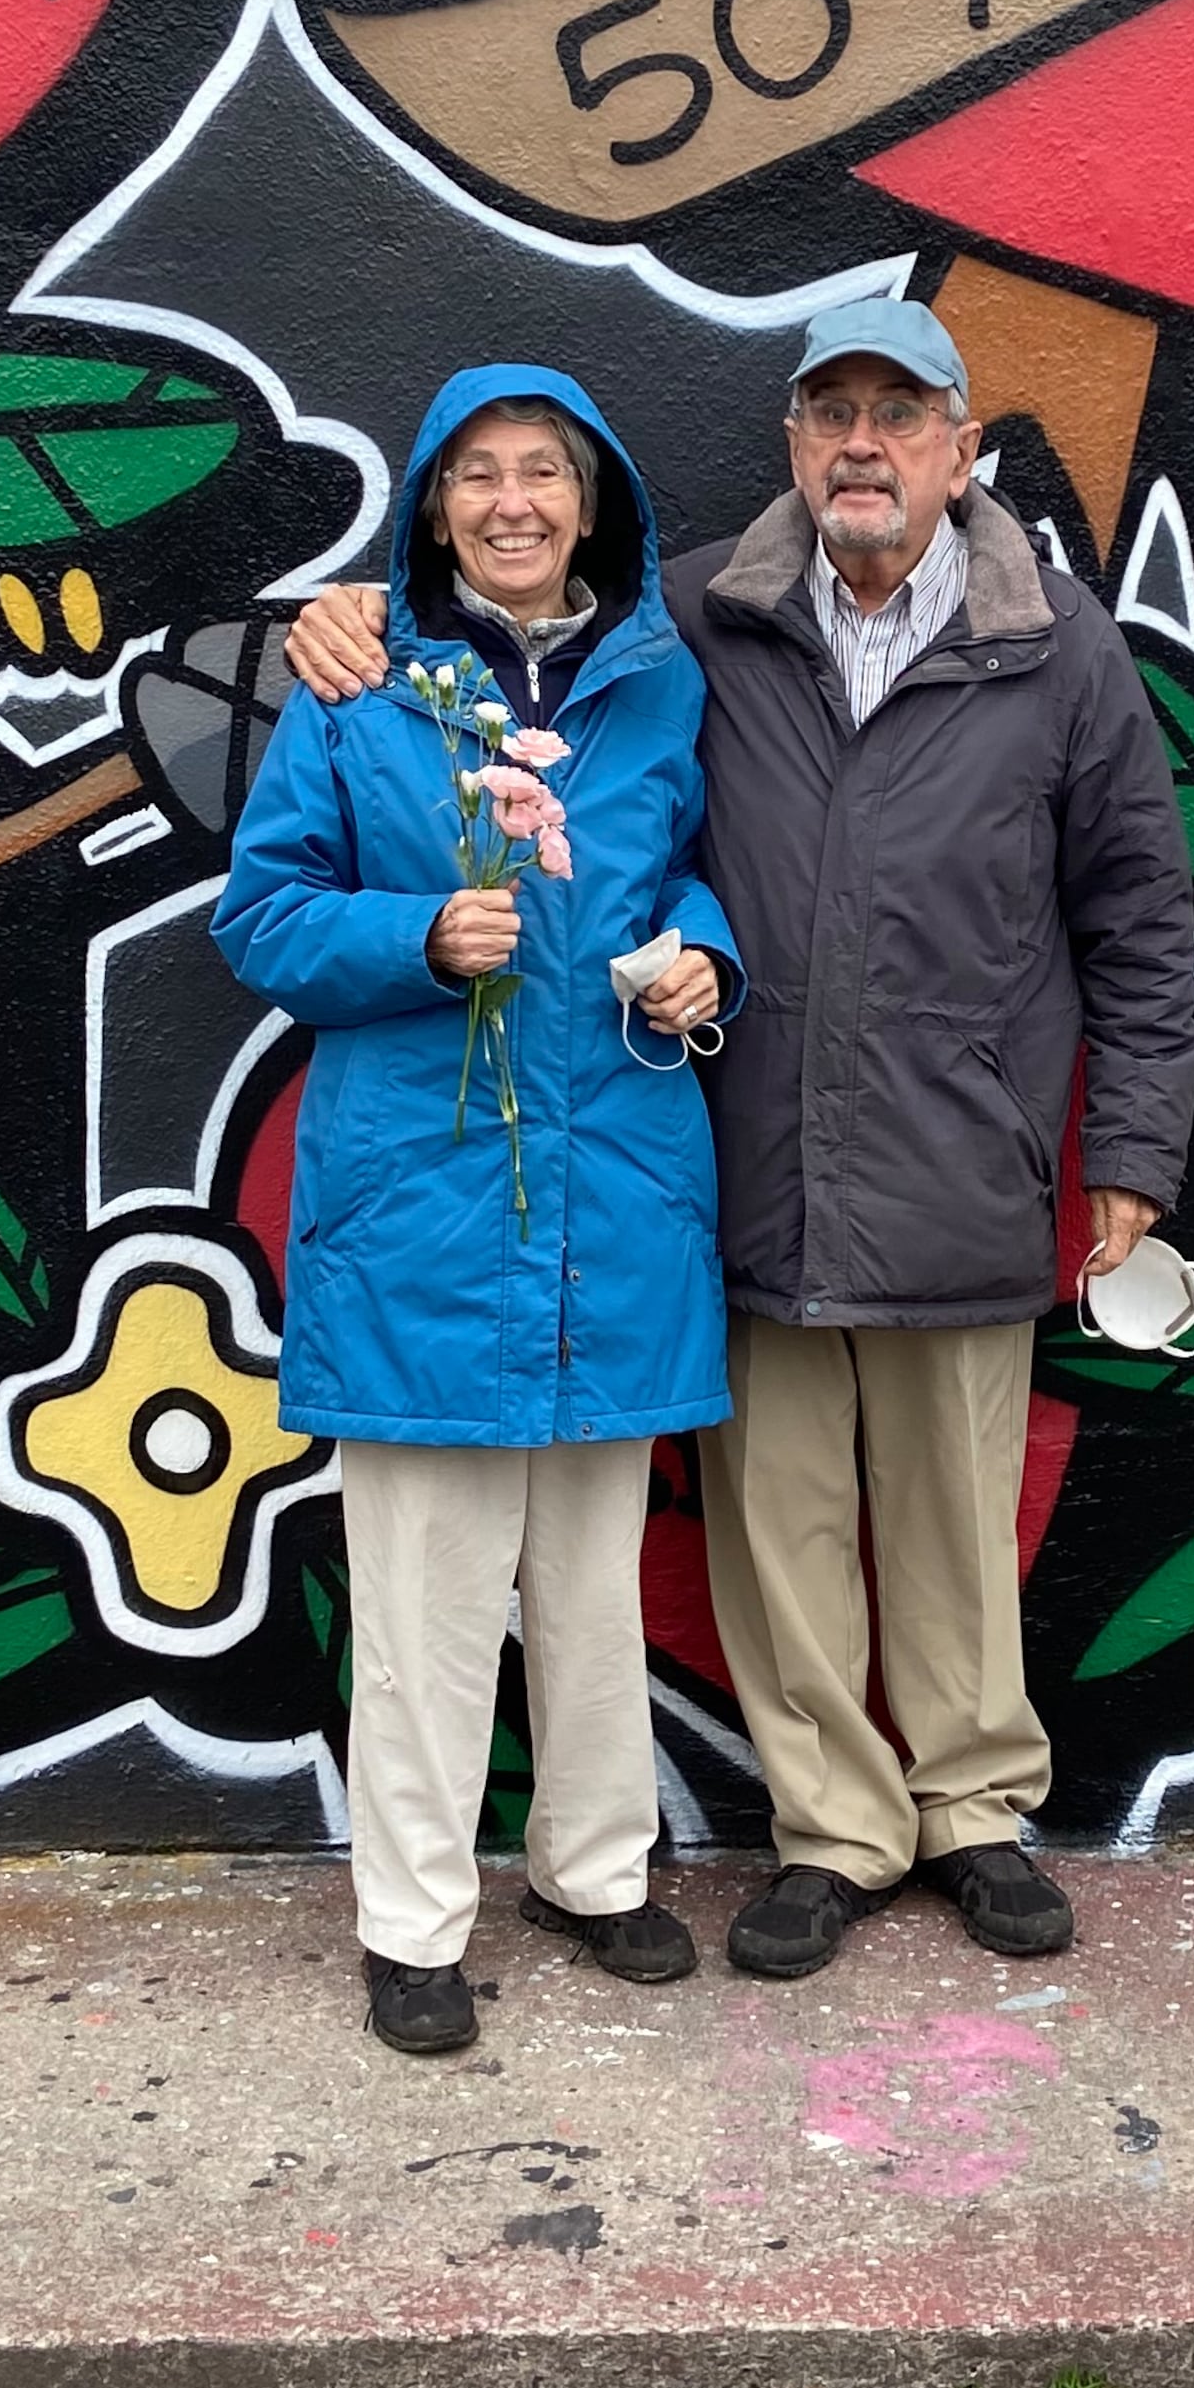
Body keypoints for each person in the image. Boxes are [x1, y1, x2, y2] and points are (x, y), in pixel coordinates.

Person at [287, 293, 1194, 1982]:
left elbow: (1140, 912)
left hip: (956, 1151)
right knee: (777, 1530)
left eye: (901, 415)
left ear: (961, 445)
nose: (865, 446)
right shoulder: (701, 615)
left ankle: (975, 1811)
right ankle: (837, 1832)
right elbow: (464, 653)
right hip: (754, 1155)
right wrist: (331, 624)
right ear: (791, 442)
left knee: (953, 1513)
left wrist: (1133, 1148)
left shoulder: (1058, 641)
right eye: (832, 414)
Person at [217, 369, 733, 2057]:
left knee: (594, 1578)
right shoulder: (358, 693)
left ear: (595, 506)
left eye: (547, 476)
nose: (515, 503)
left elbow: (691, 874)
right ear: (435, 509)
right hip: (423, 1208)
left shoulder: (659, 692)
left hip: (616, 1198)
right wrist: (415, 939)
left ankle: (597, 1870)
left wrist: (697, 962)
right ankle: (414, 1919)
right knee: (427, 1597)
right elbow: (262, 915)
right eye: (479, 478)